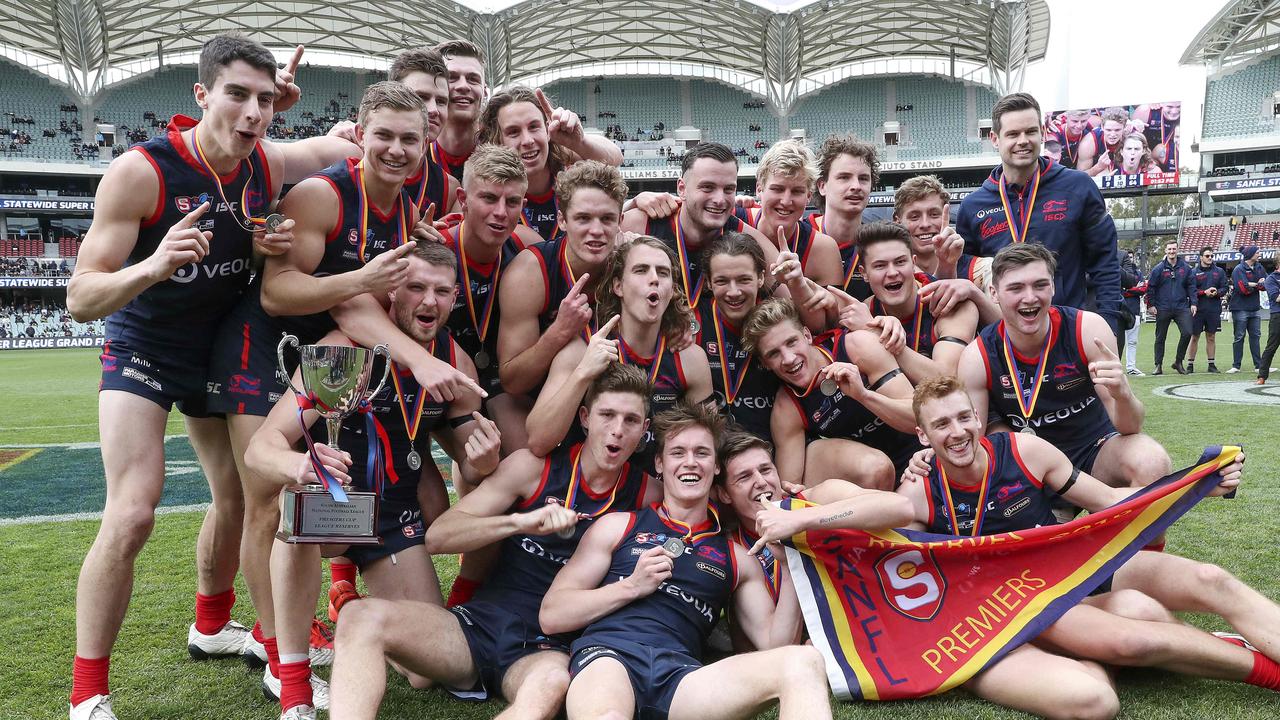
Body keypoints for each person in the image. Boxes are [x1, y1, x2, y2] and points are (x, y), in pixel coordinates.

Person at [63, 34, 354, 720]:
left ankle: (215, 626)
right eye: (235, 94)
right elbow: (80, 298)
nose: (251, 111)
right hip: (145, 349)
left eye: (262, 98)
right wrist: (154, 265)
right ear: (201, 96)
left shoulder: (266, 164)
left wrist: (350, 132)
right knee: (134, 511)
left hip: (218, 353)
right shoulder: (142, 173)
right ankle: (88, 694)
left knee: (239, 500)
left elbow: (344, 149)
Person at [903, 377, 1280, 712]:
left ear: (977, 416)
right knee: (1138, 619)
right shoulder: (918, 492)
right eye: (941, 424)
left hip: (1077, 565)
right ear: (923, 435)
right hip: (1022, 604)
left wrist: (1193, 489)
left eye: (964, 417)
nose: (957, 431)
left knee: (1209, 577)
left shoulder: (1022, 451)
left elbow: (1109, 500)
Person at [245, 243, 498, 720]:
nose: (429, 302)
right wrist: (300, 466)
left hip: (392, 519)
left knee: (426, 672)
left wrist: (482, 461)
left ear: (455, 298)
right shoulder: (345, 351)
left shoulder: (455, 363)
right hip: (334, 506)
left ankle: (356, 621)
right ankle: (295, 688)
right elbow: (260, 447)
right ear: (391, 292)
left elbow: (472, 460)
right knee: (296, 504)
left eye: (442, 291)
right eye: (417, 287)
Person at [327, 364, 658, 720]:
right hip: (477, 628)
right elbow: (439, 537)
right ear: (585, 417)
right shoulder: (533, 468)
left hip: (548, 648)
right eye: (607, 415)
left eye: (631, 420)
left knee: (551, 684)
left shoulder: (647, 495)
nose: (617, 430)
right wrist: (518, 522)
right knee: (359, 617)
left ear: (644, 430)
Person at [540, 402, 834, 720]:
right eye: (678, 453)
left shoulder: (736, 558)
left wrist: (790, 565)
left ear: (716, 467)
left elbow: (773, 645)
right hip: (608, 657)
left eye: (702, 453)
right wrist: (632, 587)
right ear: (659, 463)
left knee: (804, 661)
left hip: (681, 677)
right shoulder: (619, 525)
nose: (690, 463)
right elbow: (552, 616)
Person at [958, 243, 1171, 499]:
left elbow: (1130, 427)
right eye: (1016, 288)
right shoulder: (976, 356)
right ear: (994, 293)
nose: (1030, 297)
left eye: (1040, 285)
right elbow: (977, 445)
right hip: (1031, 468)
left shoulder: (1088, 330)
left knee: (1153, 463)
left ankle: (1145, 541)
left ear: (1053, 287)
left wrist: (1123, 395)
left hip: (1094, 451)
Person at [712, 430, 914, 651]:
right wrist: (792, 560)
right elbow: (776, 650)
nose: (761, 482)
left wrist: (801, 520)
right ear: (724, 494)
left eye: (765, 469)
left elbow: (901, 508)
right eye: (744, 477)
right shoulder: (736, 550)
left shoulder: (816, 498)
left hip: (871, 621)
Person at [526, 236, 714, 470]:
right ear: (618, 286)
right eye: (641, 270)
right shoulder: (582, 349)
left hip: (650, 490)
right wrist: (583, 374)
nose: (654, 279)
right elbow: (537, 441)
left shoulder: (689, 359)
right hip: (583, 488)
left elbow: (708, 445)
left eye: (663, 273)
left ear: (671, 290)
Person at [957, 92, 1122, 333]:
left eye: (1030, 132)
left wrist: (1108, 326)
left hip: (1067, 336)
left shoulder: (1078, 188)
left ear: (1043, 132)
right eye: (1012, 134)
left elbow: (1105, 264)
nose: (1022, 141)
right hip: (1003, 341)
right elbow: (967, 274)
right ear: (995, 138)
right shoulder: (974, 206)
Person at [742, 297, 919, 490]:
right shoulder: (787, 408)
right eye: (774, 354)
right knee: (876, 468)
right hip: (868, 477)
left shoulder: (856, 347)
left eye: (792, 342)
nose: (789, 358)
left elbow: (917, 421)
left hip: (917, 460)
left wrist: (864, 396)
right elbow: (789, 489)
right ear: (765, 363)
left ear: (807, 335)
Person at [438, 144, 543, 455]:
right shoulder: (433, 249)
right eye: (488, 198)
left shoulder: (527, 246)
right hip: (439, 377)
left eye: (512, 202)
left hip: (495, 375)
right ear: (463, 200)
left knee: (524, 454)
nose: (501, 213)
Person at [498, 160, 626, 396]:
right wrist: (559, 332)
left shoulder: (633, 265)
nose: (596, 230)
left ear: (620, 222)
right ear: (562, 221)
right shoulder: (529, 273)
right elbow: (512, 382)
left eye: (607, 219)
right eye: (583, 218)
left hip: (612, 399)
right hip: (541, 398)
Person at [620, 142, 777, 310]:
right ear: (682, 189)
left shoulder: (750, 240)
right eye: (707, 187)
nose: (719, 199)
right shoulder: (640, 225)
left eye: (729, 189)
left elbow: (793, 306)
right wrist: (629, 204)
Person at [479, 86, 623, 241]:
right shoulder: (489, 195)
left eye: (534, 127)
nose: (528, 140)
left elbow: (615, 157)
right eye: (513, 132)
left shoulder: (566, 162)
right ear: (497, 140)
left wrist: (580, 142)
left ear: (547, 129)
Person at [858, 221, 978, 383]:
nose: (892, 272)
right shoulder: (865, 312)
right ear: (864, 273)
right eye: (880, 266)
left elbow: (947, 380)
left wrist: (883, 339)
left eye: (900, 262)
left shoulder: (950, 304)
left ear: (914, 263)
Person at [737, 140, 843, 287]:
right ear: (759, 189)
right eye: (777, 189)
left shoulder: (823, 250)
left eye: (797, 191)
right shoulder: (735, 222)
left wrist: (799, 288)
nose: (786, 201)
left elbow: (834, 309)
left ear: (809, 196)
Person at [809, 133, 878, 299]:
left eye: (863, 179)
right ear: (822, 186)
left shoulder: (877, 245)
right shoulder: (799, 236)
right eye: (844, 177)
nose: (856, 186)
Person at [430, 39, 488, 181]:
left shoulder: (504, 147)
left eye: (473, 79)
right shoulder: (412, 155)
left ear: (485, 91)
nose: (463, 86)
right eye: (452, 77)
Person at [1144, 240, 1195, 375]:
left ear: (1177, 250)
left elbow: (1191, 286)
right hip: (1163, 307)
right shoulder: (1158, 269)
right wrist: (1151, 305)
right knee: (1160, 337)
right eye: (1169, 249)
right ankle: (1158, 365)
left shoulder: (1185, 268)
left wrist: (1194, 303)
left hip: (1181, 306)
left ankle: (1178, 362)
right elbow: (1151, 288)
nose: (1172, 251)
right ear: (1165, 251)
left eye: (1174, 249)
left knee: (1187, 333)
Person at [1186, 246, 1228, 373]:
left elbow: (1224, 287)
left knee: (1211, 337)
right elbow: (1191, 290)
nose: (1210, 258)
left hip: (1213, 309)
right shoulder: (1193, 272)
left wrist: (1217, 292)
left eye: (1211, 256)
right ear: (1201, 257)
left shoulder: (1219, 271)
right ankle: (1190, 365)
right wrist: (1204, 292)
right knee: (1194, 337)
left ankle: (1211, 364)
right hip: (1197, 309)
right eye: (1207, 256)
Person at [1228, 244, 1267, 374]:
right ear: (1250, 255)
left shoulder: (1259, 267)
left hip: (1254, 307)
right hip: (1240, 308)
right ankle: (1236, 366)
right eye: (1257, 252)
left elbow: (1266, 284)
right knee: (1239, 337)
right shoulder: (1239, 269)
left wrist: (1254, 284)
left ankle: (1258, 366)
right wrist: (1258, 284)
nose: (1259, 254)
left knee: (1255, 336)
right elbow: (1243, 289)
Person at [1078, 107, 1128, 177]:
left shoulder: (1130, 137)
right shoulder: (1089, 143)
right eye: (1108, 130)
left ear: (1125, 127)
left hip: (1125, 175)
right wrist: (1098, 168)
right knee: (1102, 174)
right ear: (1102, 126)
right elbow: (1080, 177)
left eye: (1117, 130)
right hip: (1098, 178)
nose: (1112, 135)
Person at [1118, 249, 1146, 376]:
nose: (1129, 259)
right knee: (1116, 340)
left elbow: (1143, 289)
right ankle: (1117, 367)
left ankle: (1131, 367)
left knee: (1132, 341)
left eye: (1131, 257)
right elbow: (1132, 288)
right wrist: (1132, 289)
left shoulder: (1138, 273)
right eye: (1127, 257)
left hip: (1134, 309)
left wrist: (1127, 289)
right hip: (1119, 309)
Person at [1256, 261, 1280, 384]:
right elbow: (1276, 298)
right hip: (1277, 316)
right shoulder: (1271, 279)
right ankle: (1262, 376)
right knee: (1272, 346)